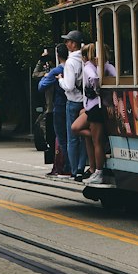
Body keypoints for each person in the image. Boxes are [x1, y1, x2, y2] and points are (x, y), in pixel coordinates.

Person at [74, 43, 109, 186]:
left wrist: (97, 90)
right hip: (93, 107)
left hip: (95, 107)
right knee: (78, 128)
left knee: (97, 142)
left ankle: (98, 172)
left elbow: (94, 79)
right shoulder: (104, 65)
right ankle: (95, 169)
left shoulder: (89, 67)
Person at [57, 29, 88, 181]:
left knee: (73, 138)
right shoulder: (84, 58)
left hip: (73, 102)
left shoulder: (70, 62)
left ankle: (74, 170)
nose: (66, 43)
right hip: (85, 102)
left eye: (68, 41)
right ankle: (82, 167)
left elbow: (69, 86)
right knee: (83, 137)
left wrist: (60, 80)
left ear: (74, 44)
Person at [37, 43, 70, 177]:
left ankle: (64, 165)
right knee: (72, 138)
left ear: (57, 55)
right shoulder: (73, 67)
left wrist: (46, 76)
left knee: (60, 138)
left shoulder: (56, 71)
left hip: (58, 106)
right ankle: (73, 165)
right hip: (73, 103)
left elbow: (41, 86)